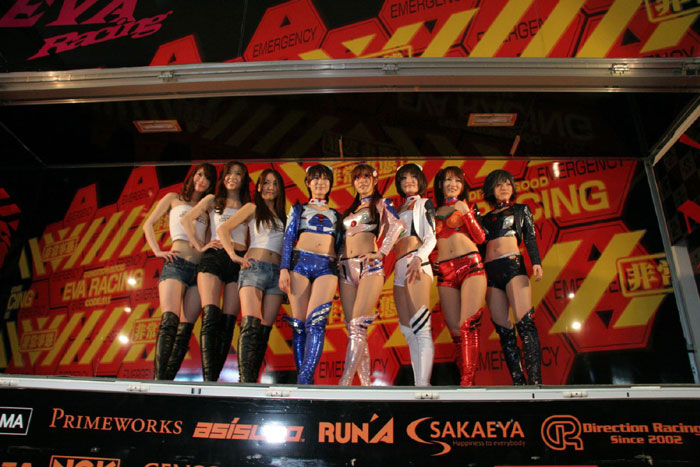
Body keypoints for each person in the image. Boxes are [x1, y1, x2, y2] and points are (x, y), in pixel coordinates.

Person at [144, 163, 216, 380]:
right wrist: (157, 251)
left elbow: (210, 235)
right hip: (176, 263)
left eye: (207, 178)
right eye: (199, 175)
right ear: (192, 176)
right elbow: (148, 224)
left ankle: (167, 379)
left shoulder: (208, 206)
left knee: (185, 330)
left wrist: (206, 247)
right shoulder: (173, 198)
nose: (202, 180)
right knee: (169, 322)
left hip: (199, 269)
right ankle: (158, 381)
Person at [181, 161, 251, 381]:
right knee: (211, 316)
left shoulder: (249, 205)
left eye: (238, 174)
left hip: (238, 260)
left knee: (228, 322)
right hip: (214, 258)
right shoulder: (213, 200)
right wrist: (200, 246)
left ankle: (213, 378)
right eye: (229, 173)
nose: (232, 177)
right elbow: (186, 219)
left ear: (244, 179)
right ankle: (208, 379)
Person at [338, 164, 405, 386]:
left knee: (357, 325)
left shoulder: (381, 203)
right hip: (345, 269)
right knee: (354, 330)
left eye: (366, 177)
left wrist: (382, 252)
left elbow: (397, 225)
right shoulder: (350, 209)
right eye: (357, 178)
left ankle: (345, 383)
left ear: (375, 180)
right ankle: (366, 384)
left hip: (369, 267)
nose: (362, 181)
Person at [218, 168, 286, 383]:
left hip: (276, 273)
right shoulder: (252, 208)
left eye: (275, 184)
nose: (270, 187)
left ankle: (252, 380)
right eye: (266, 183)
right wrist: (233, 255)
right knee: (251, 325)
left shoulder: (285, 215)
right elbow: (223, 229)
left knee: (264, 331)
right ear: (258, 187)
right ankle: (244, 382)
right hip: (254, 268)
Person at [278, 164, 342, 384]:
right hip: (300, 264)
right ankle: (304, 382)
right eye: (315, 178)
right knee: (299, 325)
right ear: (307, 183)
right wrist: (284, 268)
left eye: (325, 179)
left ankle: (305, 379)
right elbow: (288, 239)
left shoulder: (337, 215)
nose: (320, 183)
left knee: (316, 322)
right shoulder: (298, 210)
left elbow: (342, 245)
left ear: (330, 184)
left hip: (327, 266)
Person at [481, 169, 543, 385]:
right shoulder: (484, 219)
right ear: (491, 189)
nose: (504, 188)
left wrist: (536, 262)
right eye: (499, 185)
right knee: (504, 331)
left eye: (508, 184)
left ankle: (535, 382)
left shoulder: (520, 210)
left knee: (525, 323)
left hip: (513, 266)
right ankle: (519, 382)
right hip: (489, 272)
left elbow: (530, 237)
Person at [433, 166, 486, 386]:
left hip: (470, 265)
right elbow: (430, 242)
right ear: (440, 185)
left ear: (463, 185)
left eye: (457, 180)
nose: (453, 184)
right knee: (455, 329)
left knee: (468, 324)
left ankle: (467, 383)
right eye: (448, 180)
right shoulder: (432, 212)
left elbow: (480, 238)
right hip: (445, 272)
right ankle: (464, 378)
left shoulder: (468, 207)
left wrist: (466, 213)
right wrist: (433, 259)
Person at [393, 163, 436, 386]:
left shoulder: (423, 203)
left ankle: (423, 385)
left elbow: (431, 236)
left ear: (420, 181)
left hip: (416, 261)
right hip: (399, 266)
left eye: (413, 177)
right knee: (408, 330)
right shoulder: (396, 209)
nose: (408, 181)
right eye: (404, 178)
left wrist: (419, 257)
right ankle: (418, 383)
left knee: (421, 327)